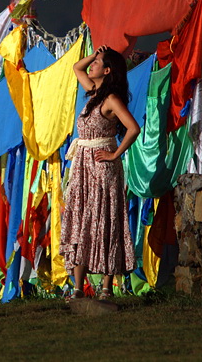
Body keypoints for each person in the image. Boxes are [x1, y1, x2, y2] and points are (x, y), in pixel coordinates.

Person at [59, 45, 141, 301]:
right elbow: (77, 68)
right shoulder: (94, 92)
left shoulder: (111, 99)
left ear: (107, 71)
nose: (92, 65)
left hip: (101, 167)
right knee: (82, 220)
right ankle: (78, 288)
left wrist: (115, 155)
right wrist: (95, 54)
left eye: (98, 62)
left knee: (104, 220)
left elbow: (133, 128)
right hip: (83, 167)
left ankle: (106, 288)